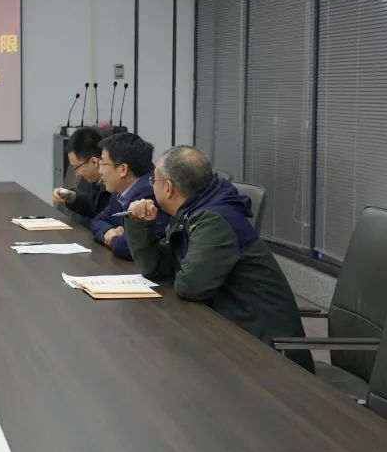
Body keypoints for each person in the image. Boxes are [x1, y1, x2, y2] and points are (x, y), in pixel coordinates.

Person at [124, 145, 314, 373]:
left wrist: (176, 266)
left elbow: (190, 286)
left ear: (168, 187)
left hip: (269, 355)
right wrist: (140, 225)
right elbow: (156, 268)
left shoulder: (214, 220)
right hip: (235, 333)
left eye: (153, 181)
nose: (150, 187)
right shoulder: (195, 210)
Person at [89, 132, 168, 259]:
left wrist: (113, 238)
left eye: (103, 164)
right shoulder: (120, 191)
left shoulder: (154, 197)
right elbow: (97, 221)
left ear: (123, 169)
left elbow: (127, 248)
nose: (100, 171)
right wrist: (108, 232)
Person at [52, 126, 111, 219]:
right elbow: (93, 203)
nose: (76, 173)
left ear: (94, 162)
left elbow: (103, 212)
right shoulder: (93, 179)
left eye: (76, 167)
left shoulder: (115, 184)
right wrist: (69, 195)